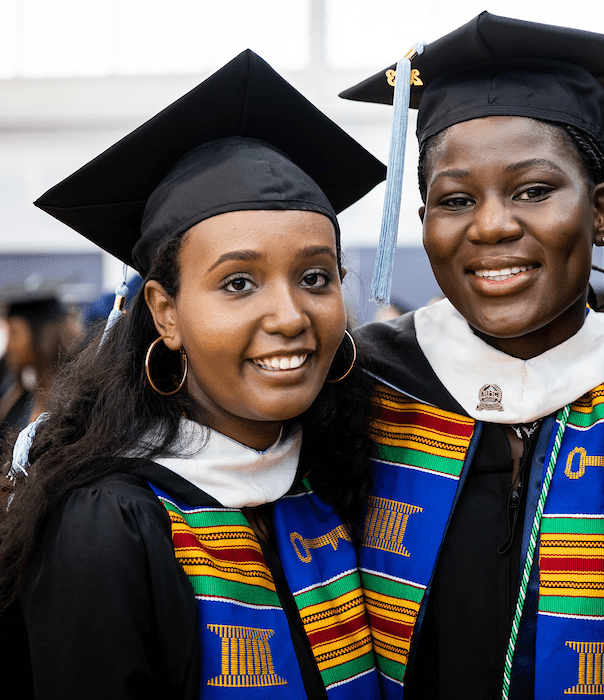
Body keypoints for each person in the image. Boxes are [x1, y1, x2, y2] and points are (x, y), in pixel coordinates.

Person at [0, 51, 386, 699]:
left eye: (315, 277)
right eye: (239, 283)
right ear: (165, 313)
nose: (290, 316)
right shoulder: (110, 524)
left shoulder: (337, 476)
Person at [339, 12, 604, 700]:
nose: (494, 224)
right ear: (425, 226)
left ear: (600, 212)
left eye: (534, 190)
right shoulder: (363, 383)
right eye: (456, 199)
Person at [0, 286, 81, 434]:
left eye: (14, 333)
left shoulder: (74, 393)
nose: (8, 345)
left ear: (40, 335)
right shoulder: (18, 391)